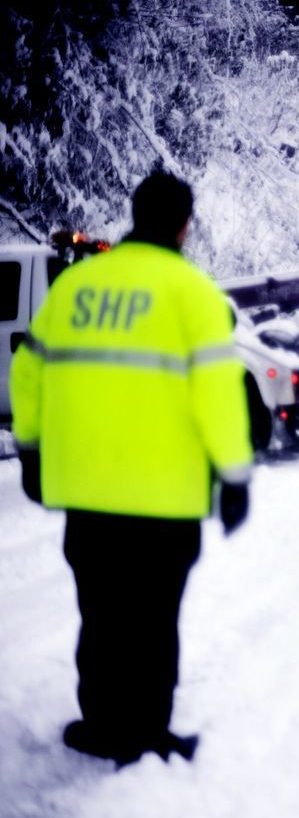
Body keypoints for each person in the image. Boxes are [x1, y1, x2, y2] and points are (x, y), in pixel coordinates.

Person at [9, 170, 254, 767]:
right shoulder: (192, 293)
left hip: (87, 492)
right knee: (152, 620)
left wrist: (32, 451)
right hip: (164, 499)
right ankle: (147, 732)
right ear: (183, 224)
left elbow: (29, 372)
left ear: (135, 213)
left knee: (100, 614)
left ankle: (100, 723)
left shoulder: (76, 287)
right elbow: (218, 395)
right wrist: (235, 476)